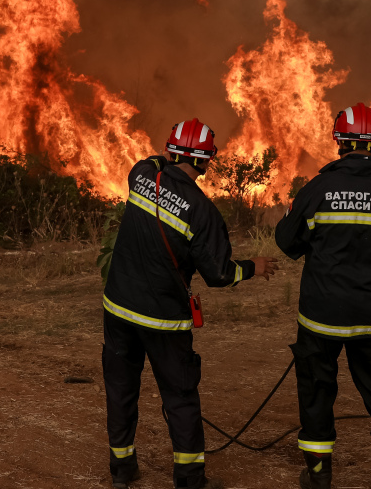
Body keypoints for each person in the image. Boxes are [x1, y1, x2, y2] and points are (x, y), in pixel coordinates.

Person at [102, 118, 277, 489]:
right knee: (180, 397)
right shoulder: (202, 211)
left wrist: (165, 159)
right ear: (206, 163)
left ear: (170, 151)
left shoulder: (141, 175)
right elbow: (218, 274)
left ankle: (121, 469)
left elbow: (151, 162)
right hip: (164, 320)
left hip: (117, 308)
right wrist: (252, 267)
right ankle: (189, 478)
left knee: (120, 389)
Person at [275, 103, 371, 489]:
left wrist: (292, 216)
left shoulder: (318, 189)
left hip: (321, 316)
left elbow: (288, 244)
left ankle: (319, 478)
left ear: (339, 141)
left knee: (317, 394)